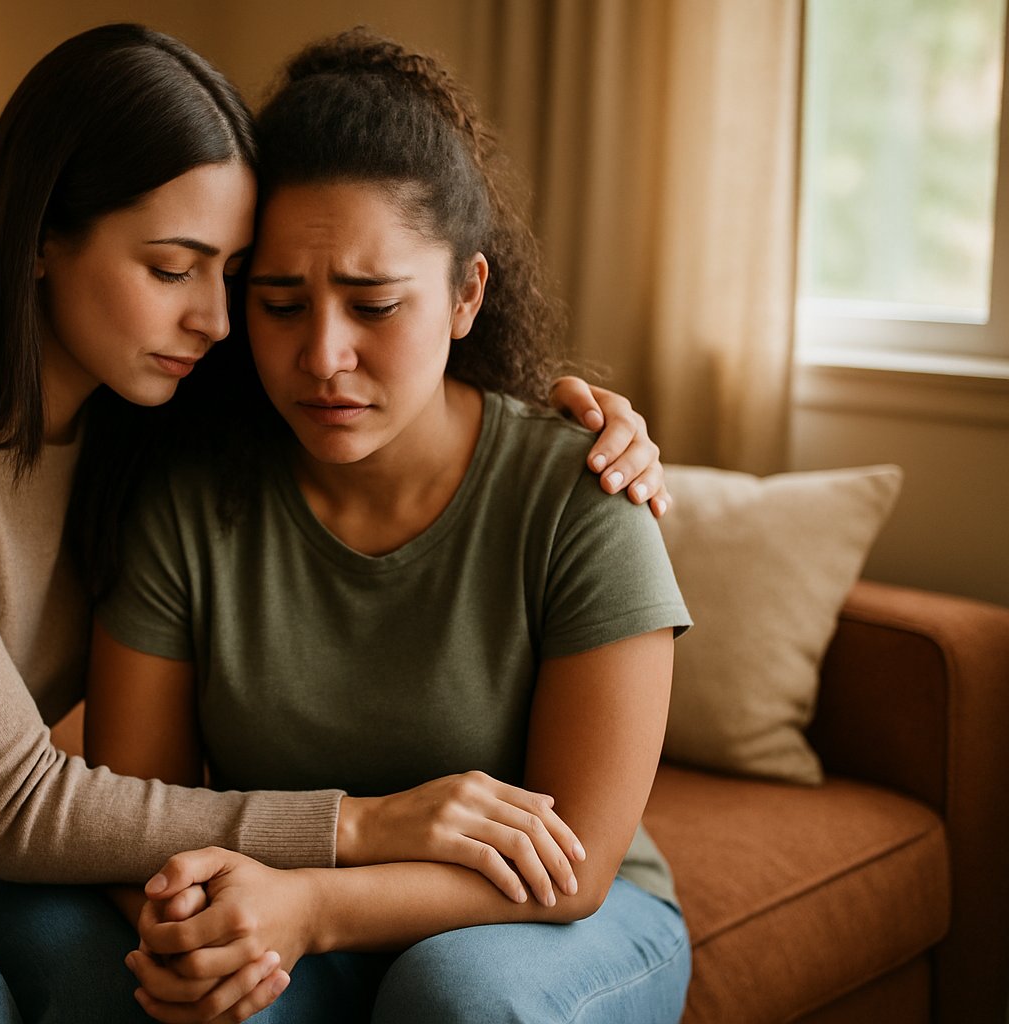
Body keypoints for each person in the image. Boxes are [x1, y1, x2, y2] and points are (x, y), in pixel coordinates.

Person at [0, 23, 670, 1024]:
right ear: (43, 239)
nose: (218, 320)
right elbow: (22, 805)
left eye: (232, 277)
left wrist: (568, 415)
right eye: (174, 269)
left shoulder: (146, 421)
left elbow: (419, 404)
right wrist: (369, 825)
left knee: (170, 982)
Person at [86, 28, 693, 1024]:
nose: (323, 355)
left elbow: (574, 866)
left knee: (455, 995)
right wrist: (208, 922)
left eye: (373, 304)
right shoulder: (189, 500)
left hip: (557, 921)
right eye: (279, 303)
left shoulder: (581, 490)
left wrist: (314, 906)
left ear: (466, 295)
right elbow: (132, 822)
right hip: (281, 906)